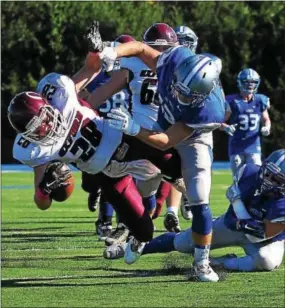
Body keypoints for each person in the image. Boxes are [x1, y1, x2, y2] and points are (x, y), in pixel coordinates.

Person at [84, 22, 226, 282]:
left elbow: (167, 140)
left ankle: (201, 263)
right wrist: (111, 52)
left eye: (188, 93)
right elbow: (138, 47)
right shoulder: (176, 58)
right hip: (160, 122)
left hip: (191, 134)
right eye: (178, 87)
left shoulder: (209, 110)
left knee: (199, 197)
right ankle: (140, 233)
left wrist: (133, 127)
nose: (179, 94)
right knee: (144, 187)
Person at [8, 72, 184, 247]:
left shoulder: (62, 94)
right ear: (26, 135)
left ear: (48, 104)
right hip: (106, 173)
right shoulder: (34, 150)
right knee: (144, 232)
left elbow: (91, 66)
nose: (45, 127)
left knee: (174, 167)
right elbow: (42, 204)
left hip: (123, 142)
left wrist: (98, 52)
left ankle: (196, 214)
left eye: (44, 118)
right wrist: (44, 189)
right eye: (35, 129)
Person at [105, 150, 285, 272]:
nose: (268, 180)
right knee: (183, 242)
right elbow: (240, 223)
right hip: (232, 225)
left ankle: (222, 263)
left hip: (266, 240)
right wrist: (238, 216)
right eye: (267, 173)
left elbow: (257, 236)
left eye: (276, 178)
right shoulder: (248, 172)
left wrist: (237, 202)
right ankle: (130, 247)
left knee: (266, 260)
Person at [221, 68, 271, 176]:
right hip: (236, 146)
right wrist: (226, 127)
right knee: (238, 179)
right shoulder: (232, 101)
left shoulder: (260, 100)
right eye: (247, 82)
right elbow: (219, 122)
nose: (250, 85)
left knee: (256, 176)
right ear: (240, 82)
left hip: (253, 146)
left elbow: (266, 119)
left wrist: (267, 127)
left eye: (253, 82)